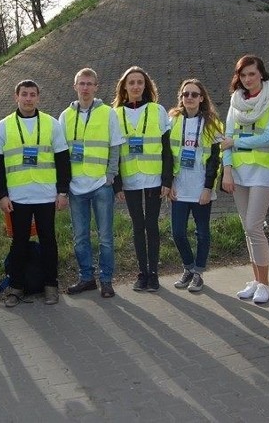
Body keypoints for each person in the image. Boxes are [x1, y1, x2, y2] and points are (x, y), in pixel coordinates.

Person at [0, 79, 71, 307]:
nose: (28, 98)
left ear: (38, 97)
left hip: (46, 195)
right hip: (17, 197)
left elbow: (62, 161)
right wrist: (2, 195)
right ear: (16, 97)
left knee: (48, 240)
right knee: (19, 242)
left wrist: (62, 192)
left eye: (32, 94)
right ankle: (16, 287)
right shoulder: (3, 126)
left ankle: (50, 286)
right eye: (24, 94)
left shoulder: (51, 124)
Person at [220, 56, 269, 304]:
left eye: (252, 74)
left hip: (262, 169)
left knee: (253, 226)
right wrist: (227, 170)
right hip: (238, 170)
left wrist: (237, 142)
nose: (248, 79)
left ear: (261, 74)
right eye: (243, 75)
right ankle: (256, 280)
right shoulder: (236, 101)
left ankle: (265, 283)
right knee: (248, 228)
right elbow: (225, 137)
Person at [59, 68, 125, 298]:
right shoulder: (65, 116)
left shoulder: (108, 113)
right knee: (80, 237)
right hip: (76, 186)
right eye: (81, 83)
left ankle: (106, 280)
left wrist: (110, 176)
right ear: (75, 86)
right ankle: (86, 277)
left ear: (96, 87)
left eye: (89, 83)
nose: (85, 87)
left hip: (100, 185)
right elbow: (60, 153)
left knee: (105, 236)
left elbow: (115, 146)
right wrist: (64, 186)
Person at [112, 66, 172, 292]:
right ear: (124, 88)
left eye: (140, 82)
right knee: (138, 226)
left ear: (146, 86)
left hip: (154, 178)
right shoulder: (115, 114)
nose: (136, 86)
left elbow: (167, 149)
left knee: (151, 225)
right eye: (131, 83)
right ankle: (142, 273)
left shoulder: (158, 110)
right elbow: (113, 152)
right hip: (130, 179)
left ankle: (154, 273)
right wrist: (117, 184)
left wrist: (167, 180)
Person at [168, 79, 223, 293]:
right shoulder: (172, 121)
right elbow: (167, 154)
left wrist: (208, 188)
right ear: (181, 97)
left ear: (202, 98)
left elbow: (214, 158)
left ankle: (198, 273)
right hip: (179, 188)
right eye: (185, 94)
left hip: (201, 189)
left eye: (194, 94)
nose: (189, 98)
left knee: (202, 233)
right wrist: (169, 181)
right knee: (178, 233)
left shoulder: (212, 123)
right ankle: (189, 267)